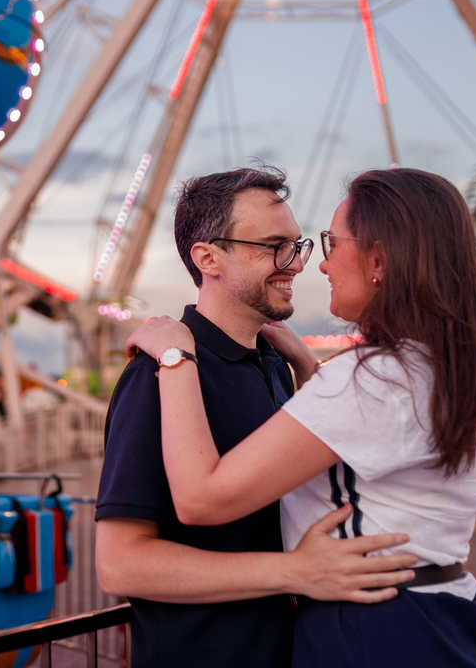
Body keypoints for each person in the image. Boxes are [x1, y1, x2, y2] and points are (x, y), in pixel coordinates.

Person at [128, 168, 476, 667]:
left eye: (329, 243)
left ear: (379, 259)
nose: (318, 266)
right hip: (445, 611)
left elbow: (200, 498)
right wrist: (309, 368)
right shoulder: (447, 364)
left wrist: (176, 358)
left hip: (372, 625)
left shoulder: (372, 378)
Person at [96, 166, 417, 668]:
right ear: (208, 257)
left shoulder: (274, 364)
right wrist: (291, 572)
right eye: (274, 246)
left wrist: (306, 366)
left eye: (298, 245)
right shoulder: (161, 373)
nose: (297, 264)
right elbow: (119, 564)